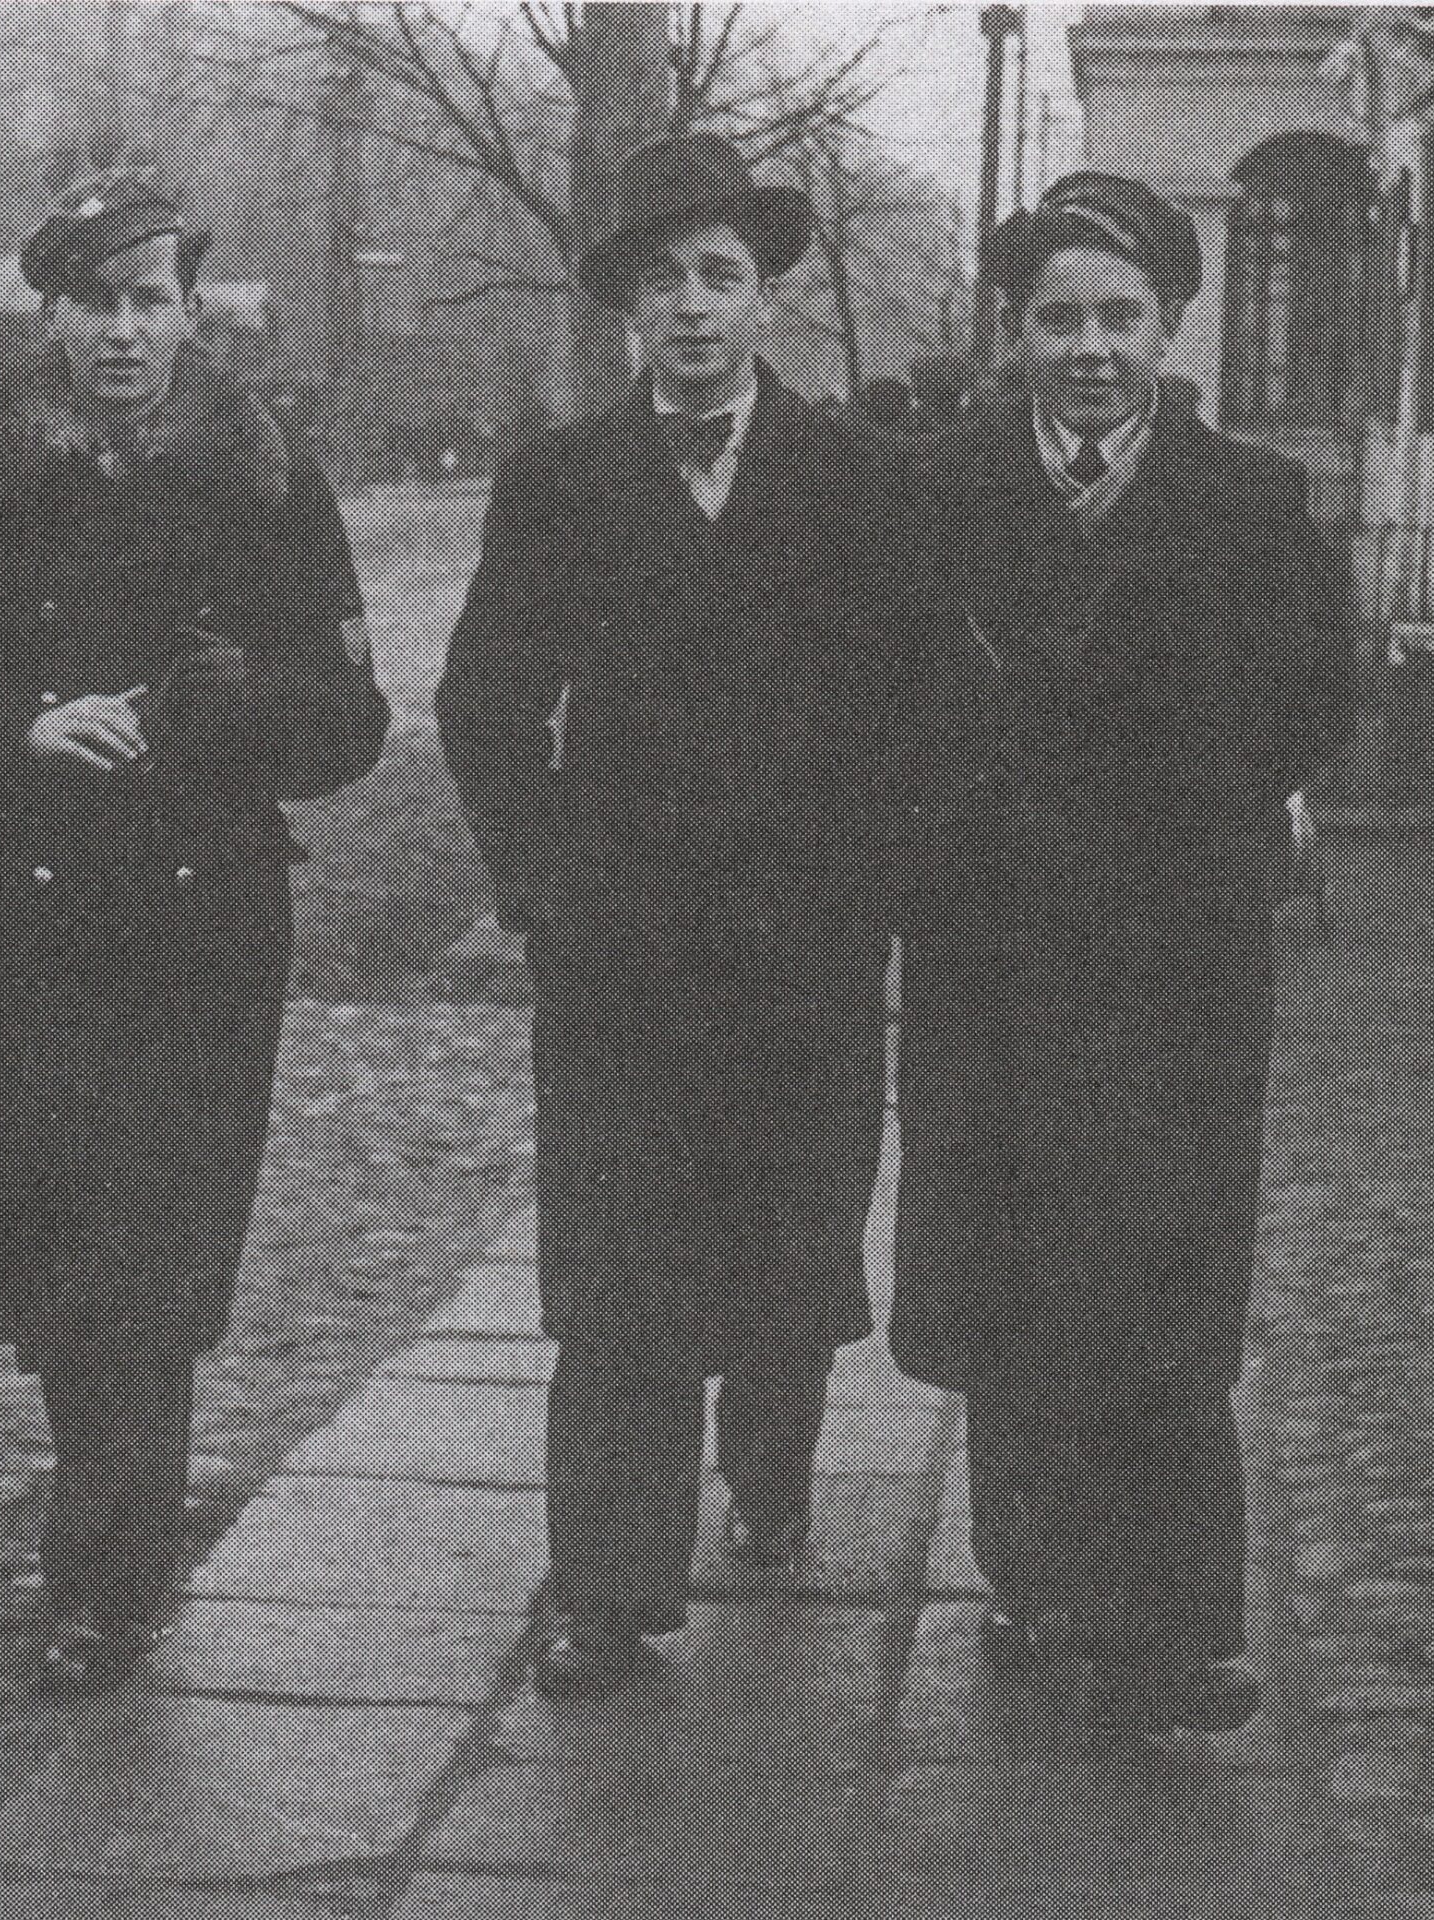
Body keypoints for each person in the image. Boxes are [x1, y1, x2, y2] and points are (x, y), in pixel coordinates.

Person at [436, 132, 919, 1699]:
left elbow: (921, 708)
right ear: (628, 310)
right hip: (622, 957)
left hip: (804, 954)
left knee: (788, 1248)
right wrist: (539, 881)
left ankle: (772, 1478)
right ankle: (608, 1589)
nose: (693, 308)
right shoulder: (562, 485)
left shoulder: (857, 481)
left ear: (767, 297)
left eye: (720, 276)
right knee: (619, 1278)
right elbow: (485, 704)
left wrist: (868, 885)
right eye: (663, 283)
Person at [889, 172, 1357, 1736]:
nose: (1089, 349)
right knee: (1012, 1273)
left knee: (1168, 1283)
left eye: (1120, 317)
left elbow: (1314, 706)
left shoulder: (1250, 504)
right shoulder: (939, 494)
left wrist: (1188, 802)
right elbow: (883, 701)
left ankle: (1174, 1630)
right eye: (1058, 319)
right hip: (991, 958)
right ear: (1017, 334)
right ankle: (1032, 1571)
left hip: (1178, 965)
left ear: (1170, 325)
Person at [0, 173, 388, 1694]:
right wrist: (17, 729)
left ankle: (104, 1579)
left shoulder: (269, 483)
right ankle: (111, 1529)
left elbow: (351, 719)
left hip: (200, 924)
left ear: (191, 312)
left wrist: (241, 704)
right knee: (60, 1257)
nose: (122, 332)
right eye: (92, 303)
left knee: (156, 1252)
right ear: (48, 315)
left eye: (149, 301)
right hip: (27, 915)